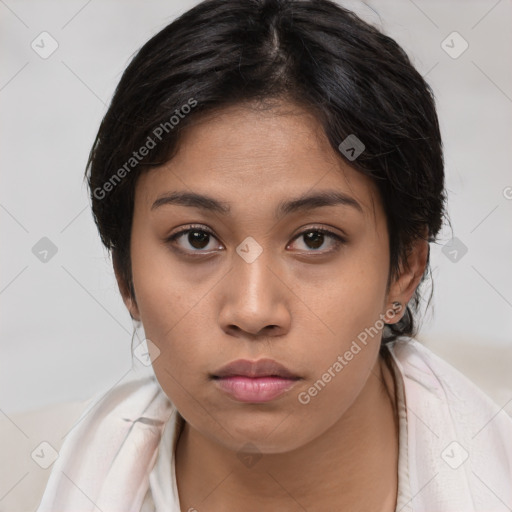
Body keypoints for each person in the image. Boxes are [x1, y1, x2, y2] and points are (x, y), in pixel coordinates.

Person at [36, 0, 512, 511]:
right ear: (124, 275)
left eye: (314, 239)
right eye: (197, 239)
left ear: (405, 268)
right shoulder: (23, 474)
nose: (253, 310)